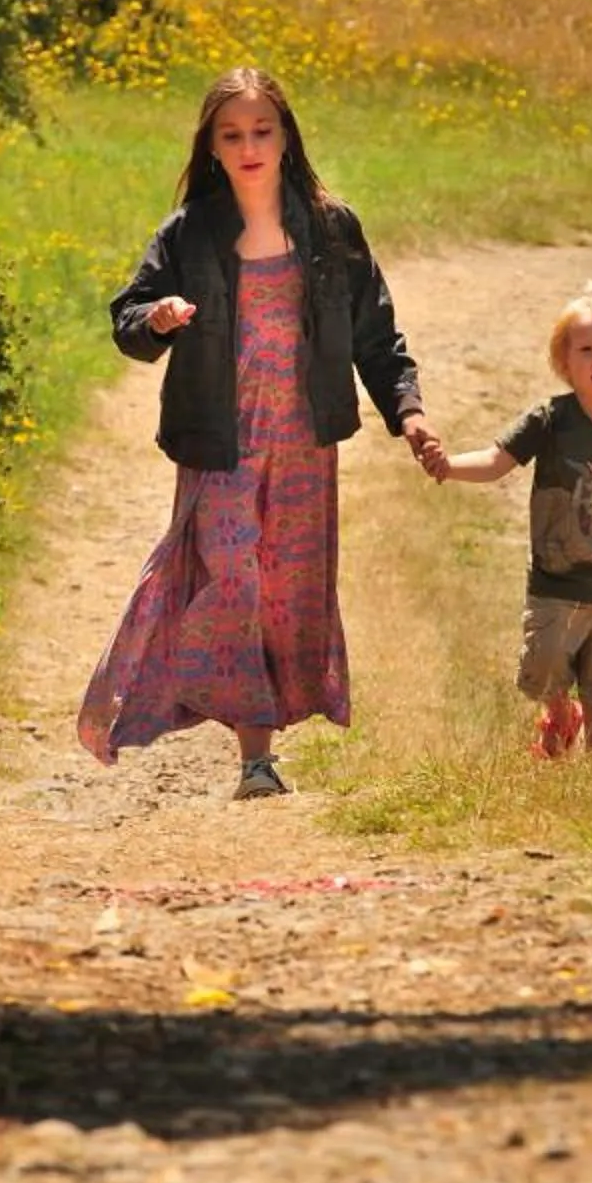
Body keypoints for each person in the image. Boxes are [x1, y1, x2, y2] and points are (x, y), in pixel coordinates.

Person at [77, 66, 445, 798]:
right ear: (212, 146)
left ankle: (257, 756)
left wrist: (409, 413)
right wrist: (156, 319)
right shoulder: (190, 232)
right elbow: (129, 316)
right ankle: (238, 742)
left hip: (305, 439)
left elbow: (376, 334)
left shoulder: (330, 227)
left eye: (261, 131)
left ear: (286, 137)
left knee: (284, 587)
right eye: (232, 134)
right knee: (235, 577)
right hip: (220, 439)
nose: (248, 146)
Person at [434, 287, 592, 755]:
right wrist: (448, 465)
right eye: (586, 349)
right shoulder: (549, 420)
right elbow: (496, 461)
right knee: (544, 668)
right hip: (554, 589)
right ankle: (561, 714)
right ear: (565, 363)